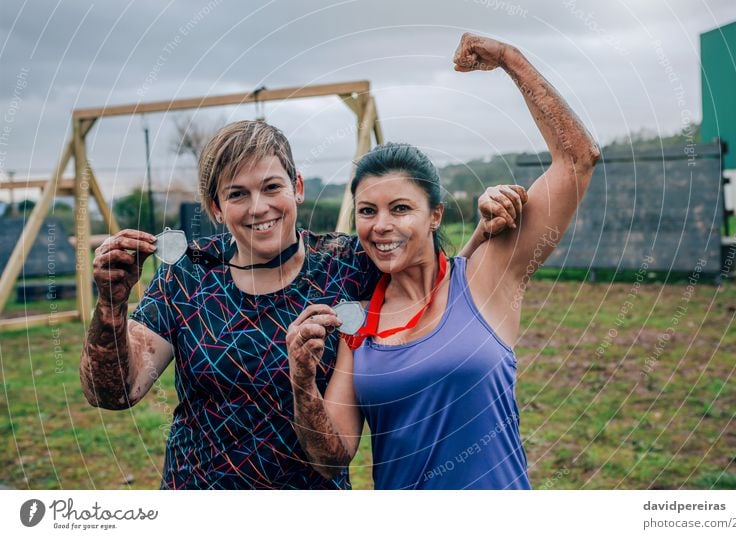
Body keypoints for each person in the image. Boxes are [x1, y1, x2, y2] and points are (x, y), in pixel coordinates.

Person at [79, 118, 525, 489]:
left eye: (272, 187)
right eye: (237, 194)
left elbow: (434, 279)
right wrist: (111, 308)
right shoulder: (188, 275)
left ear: (297, 188)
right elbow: (113, 392)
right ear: (216, 208)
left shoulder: (347, 264)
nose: (259, 207)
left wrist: (488, 223)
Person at [286, 32, 600, 489]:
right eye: (367, 212)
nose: (380, 226)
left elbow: (576, 160)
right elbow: (332, 457)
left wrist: (512, 60)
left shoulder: (485, 278)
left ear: (434, 214)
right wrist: (302, 381)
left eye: (400, 208)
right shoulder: (358, 324)